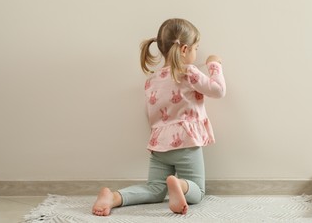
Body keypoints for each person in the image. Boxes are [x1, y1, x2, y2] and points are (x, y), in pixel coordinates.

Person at [92, 18, 226, 216]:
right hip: (186, 142)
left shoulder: (152, 79)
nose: (197, 53)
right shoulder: (188, 72)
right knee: (197, 191)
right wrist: (214, 64)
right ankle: (179, 185)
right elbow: (218, 90)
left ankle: (114, 197)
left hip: (159, 144)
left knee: (154, 189)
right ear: (184, 49)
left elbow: (150, 113)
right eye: (196, 48)